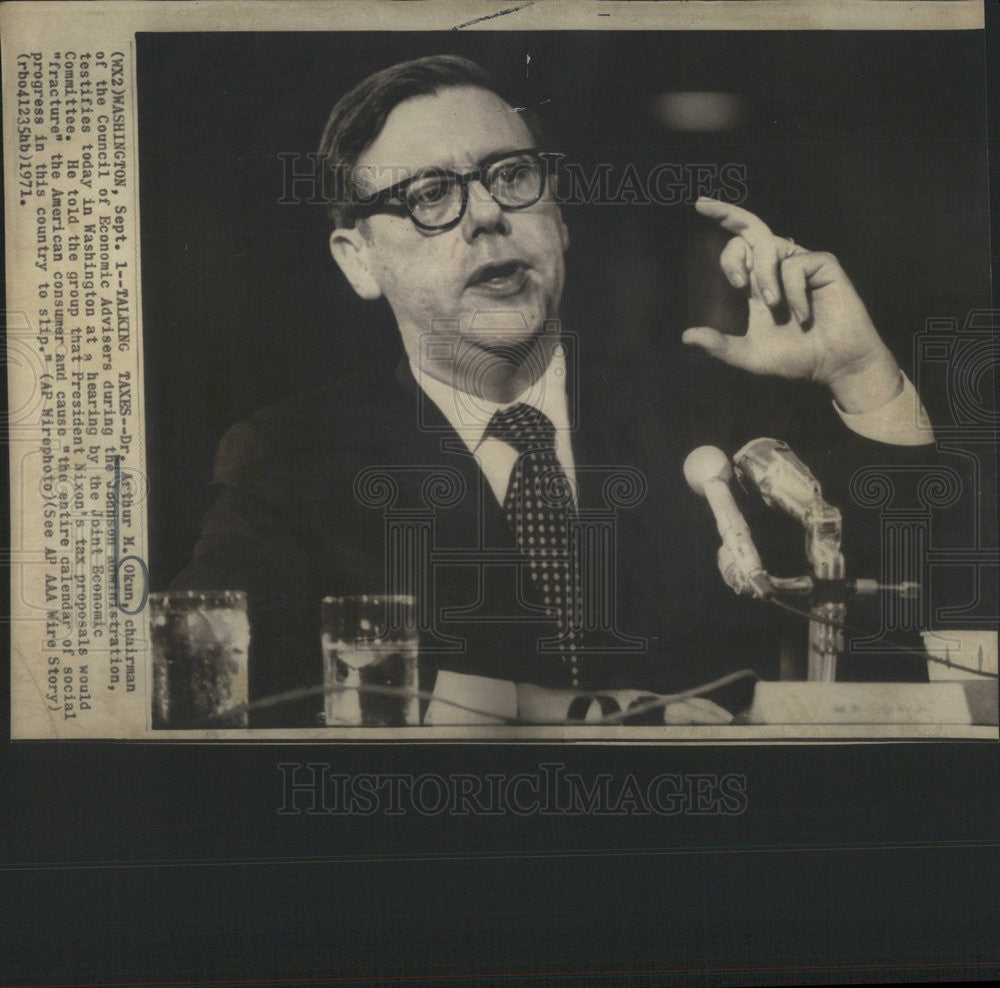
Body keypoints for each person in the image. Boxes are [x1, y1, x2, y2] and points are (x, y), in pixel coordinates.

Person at [172, 55, 940, 727]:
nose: (487, 216)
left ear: (558, 217)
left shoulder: (710, 415)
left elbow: (917, 630)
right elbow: (194, 682)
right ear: (358, 260)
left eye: (510, 176)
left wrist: (864, 378)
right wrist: (532, 708)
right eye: (431, 194)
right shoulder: (291, 461)